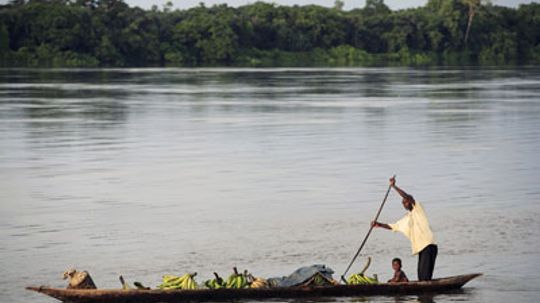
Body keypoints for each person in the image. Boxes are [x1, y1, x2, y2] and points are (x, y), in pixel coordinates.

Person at [371, 176, 438, 281]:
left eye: (406, 201)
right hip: (421, 248)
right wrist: (378, 224)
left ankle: (427, 295)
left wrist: (394, 186)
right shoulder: (406, 219)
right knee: (422, 277)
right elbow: (393, 226)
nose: (404, 203)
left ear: (411, 202)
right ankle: (426, 295)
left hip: (429, 245)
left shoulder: (418, 209)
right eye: (403, 203)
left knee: (424, 278)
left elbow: (407, 196)